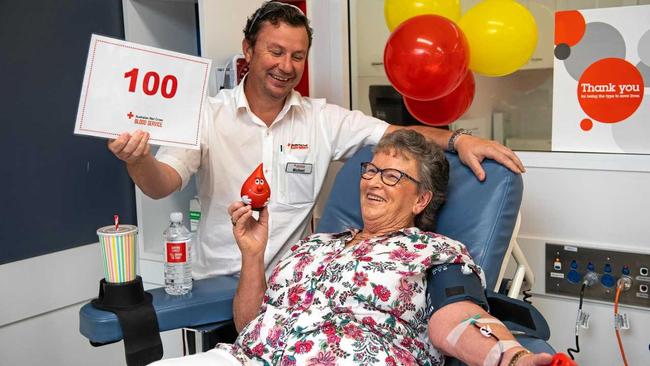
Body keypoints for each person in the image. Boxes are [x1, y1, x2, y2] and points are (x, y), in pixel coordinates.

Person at [108, 1, 525, 279]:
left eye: (297, 56)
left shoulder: (322, 119)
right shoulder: (206, 115)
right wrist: (137, 159)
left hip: (291, 287)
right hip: (215, 284)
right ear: (248, 51)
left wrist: (457, 140)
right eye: (275, 52)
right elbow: (160, 184)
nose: (285, 66)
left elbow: (395, 133)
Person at [151, 130, 551, 366]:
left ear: (420, 200)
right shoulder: (314, 246)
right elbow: (248, 326)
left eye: (392, 176)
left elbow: (457, 318)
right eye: (371, 170)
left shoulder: (435, 251)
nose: (373, 182)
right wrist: (253, 256)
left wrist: (512, 359)